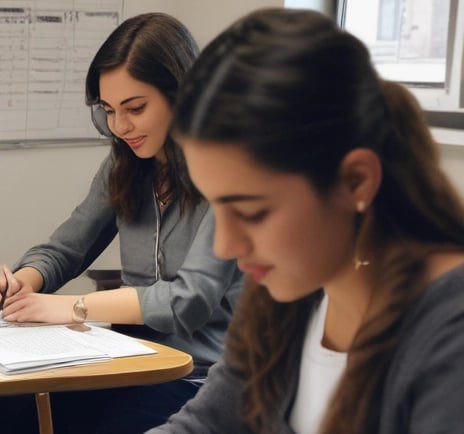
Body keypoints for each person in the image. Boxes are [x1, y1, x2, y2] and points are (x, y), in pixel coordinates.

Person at [147, 7, 464, 434]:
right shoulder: (291, 287)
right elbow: (207, 423)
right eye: (215, 207)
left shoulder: (448, 337)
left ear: (355, 181)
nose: (225, 246)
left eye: (252, 212)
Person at [0, 12, 242, 434]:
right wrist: (24, 282)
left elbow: (189, 300)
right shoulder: (125, 165)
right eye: (109, 110)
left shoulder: (228, 169)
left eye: (135, 108)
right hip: (129, 361)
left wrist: (71, 306)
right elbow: (66, 249)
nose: (120, 126)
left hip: (201, 375)